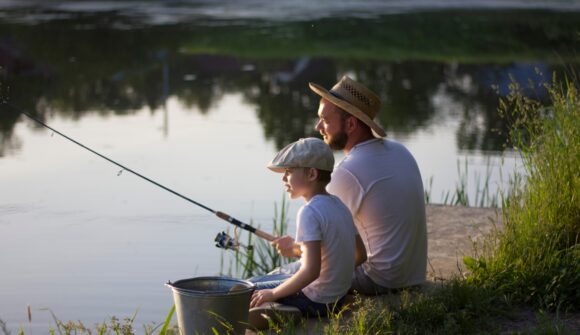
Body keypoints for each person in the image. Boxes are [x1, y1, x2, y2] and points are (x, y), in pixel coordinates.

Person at [276, 76, 427, 295]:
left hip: (378, 279)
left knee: (280, 275)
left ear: (351, 124)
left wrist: (294, 248)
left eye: (325, 120)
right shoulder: (400, 151)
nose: (318, 127)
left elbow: (325, 249)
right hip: (412, 276)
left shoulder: (348, 171)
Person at [248, 137, 366, 329]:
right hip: (336, 300)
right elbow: (361, 255)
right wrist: (336, 271)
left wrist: (273, 293)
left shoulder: (309, 211)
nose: (283, 178)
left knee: (245, 290)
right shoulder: (339, 205)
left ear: (311, 173)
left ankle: (281, 308)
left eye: (289, 171)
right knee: (257, 282)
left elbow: (311, 271)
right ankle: (280, 306)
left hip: (314, 300)